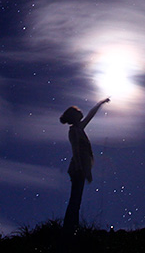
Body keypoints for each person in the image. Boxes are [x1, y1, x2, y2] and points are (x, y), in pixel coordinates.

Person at [60, 97, 109, 236]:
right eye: (77, 112)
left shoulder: (79, 128)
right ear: (73, 116)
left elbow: (90, 116)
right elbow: (75, 150)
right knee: (75, 198)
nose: (81, 113)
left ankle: (71, 228)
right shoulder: (74, 131)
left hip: (79, 167)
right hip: (77, 168)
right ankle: (69, 229)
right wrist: (80, 168)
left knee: (77, 198)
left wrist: (100, 103)